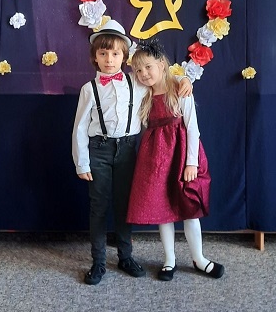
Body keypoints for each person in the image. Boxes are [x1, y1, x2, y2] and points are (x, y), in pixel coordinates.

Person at [72, 20, 191, 285]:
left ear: (124, 56)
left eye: (115, 54)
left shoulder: (136, 83)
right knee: (99, 206)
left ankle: (125, 257)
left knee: (125, 205)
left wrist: (184, 79)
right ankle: (98, 261)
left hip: (127, 150)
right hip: (99, 151)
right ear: (95, 57)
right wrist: (82, 163)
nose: (109, 59)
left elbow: (160, 78)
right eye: (103, 53)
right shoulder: (89, 89)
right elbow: (79, 127)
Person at [126, 39, 224, 281]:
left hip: (181, 155)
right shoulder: (143, 93)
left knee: (190, 209)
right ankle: (169, 260)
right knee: (163, 209)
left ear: (162, 64)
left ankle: (199, 258)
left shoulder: (179, 89)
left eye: (148, 67)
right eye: (138, 70)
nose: (143, 74)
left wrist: (191, 163)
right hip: (156, 158)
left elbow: (192, 128)